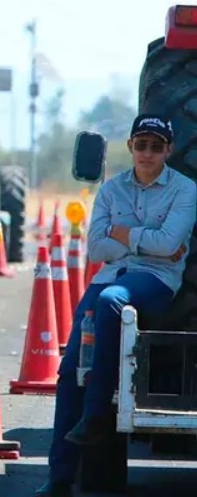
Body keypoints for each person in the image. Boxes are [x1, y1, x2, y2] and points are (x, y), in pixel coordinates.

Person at [35, 113, 197, 497]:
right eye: (141, 144)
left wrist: (123, 234)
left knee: (110, 301)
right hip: (111, 275)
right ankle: (59, 479)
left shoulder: (185, 190)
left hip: (155, 282)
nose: (147, 152)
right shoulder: (111, 190)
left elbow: (170, 242)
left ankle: (95, 416)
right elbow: (97, 248)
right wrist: (150, 240)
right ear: (130, 147)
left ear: (168, 150)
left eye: (156, 146)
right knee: (71, 367)